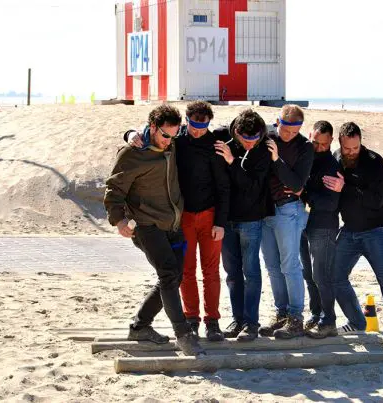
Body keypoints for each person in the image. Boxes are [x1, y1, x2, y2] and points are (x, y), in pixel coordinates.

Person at [126, 101, 230, 342]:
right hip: (182, 218)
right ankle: (191, 319)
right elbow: (149, 133)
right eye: (193, 126)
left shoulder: (216, 144)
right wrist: (130, 134)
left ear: (209, 123)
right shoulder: (176, 140)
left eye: (203, 127)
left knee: (211, 271)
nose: (198, 131)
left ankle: (212, 322)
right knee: (185, 271)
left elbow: (224, 187)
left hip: (210, 216)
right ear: (186, 121)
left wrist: (221, 222)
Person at [103, 104, 204, 356]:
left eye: (173, 136)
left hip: (172, 224)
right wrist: (119, 221)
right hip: (146, 225)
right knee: (169, 274)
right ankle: (183, 334)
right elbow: (114, 190)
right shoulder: (132, 153)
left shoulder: (172, 143)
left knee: (174, 277)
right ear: (152, 128)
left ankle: (140, 326)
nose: (169, 141)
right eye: (165, 135)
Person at [323, 121, 383, 357]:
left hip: (376, 231)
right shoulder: (336, 158)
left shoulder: (375, 162)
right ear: (340, 143)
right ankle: (357, 321)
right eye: (347, 148)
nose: (351, 152)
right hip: (349, 230)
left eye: (355, 148)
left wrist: (345, 187)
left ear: (361, 142)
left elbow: (374, 201)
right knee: (334, 277)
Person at [213, 109, 273, 341]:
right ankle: (238, 320)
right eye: (246, 139)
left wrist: (232, 162)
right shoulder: (223, 138)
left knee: (251, 272)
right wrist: (131, 134)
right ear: (236, 132)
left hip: (251, 220)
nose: (250, 144)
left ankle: (251, 323)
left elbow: (251, 186)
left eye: (254, 139)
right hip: (226, 219)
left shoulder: (264, 149)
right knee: (232, 273)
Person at [259, 104, 314, 339]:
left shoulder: (305, 147)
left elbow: (296, 184)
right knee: (272, 266)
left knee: (289, 265)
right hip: (265, 211)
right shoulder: (267, 137)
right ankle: (281, 314)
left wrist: (276, 159)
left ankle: (296, 318)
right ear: (277, 122)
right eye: (285, 130)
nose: (289, 135)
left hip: (289, 210)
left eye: (294, 131)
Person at [298, 121, 344, 338]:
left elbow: (330, 203)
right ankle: (316, 314)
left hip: (324, 226)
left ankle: (328, 320)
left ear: (331, 141)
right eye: (316, 142)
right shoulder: (306, 156)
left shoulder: (331, 165)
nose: (319, 147)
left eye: (324, 144)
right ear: (310, 136)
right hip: (304, 224)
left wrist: (305, 194)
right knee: (308, 274)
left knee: (321, 275)